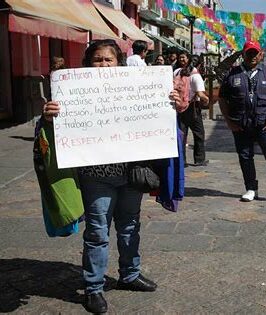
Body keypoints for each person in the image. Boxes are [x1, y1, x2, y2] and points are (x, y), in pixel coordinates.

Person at [42, 39, 182, 314]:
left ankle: (130, 274)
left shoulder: (137, 86)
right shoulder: (72, 92)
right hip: (96, 177)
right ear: (87, 64)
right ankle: (93, 287)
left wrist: (171, 105)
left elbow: (160, 120)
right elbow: (52, 131)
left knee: (130, 226)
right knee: (97, 233)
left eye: (109, 59)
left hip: (132, 174)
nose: (104, 65)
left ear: (119, 63)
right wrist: (49, 117)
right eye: (98, 60)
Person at [219, 41, 266, 204]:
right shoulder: (232, 74)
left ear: (260, 55)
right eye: (249, 53)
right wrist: (228, 121)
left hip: (264, 124)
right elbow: (222, 98)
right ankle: (251, 188)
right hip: (241, 124)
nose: (252, 56)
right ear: (243, 54)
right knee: (245, 157)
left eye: (255, 53)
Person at [175, 51, 210, 167]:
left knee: (182, 135)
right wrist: (206, 99)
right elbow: (200, 94)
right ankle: (199, 159)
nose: (182, 59)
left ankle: (182, 160)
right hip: (192, 107)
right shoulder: (195, 74)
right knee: (199, 134)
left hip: (179, 106)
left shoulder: (176, 72)